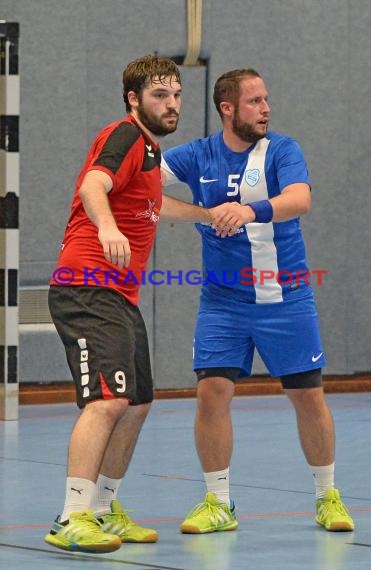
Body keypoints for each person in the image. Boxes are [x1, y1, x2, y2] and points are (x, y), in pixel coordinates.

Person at [160, 68, 355, 534]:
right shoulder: (198, 155)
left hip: (284, 298)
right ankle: (218, 503)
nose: (265, 109)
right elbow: (142, 187)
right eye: (254, 102)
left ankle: (327, 496)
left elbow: (300, 199)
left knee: (308, 395)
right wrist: (202, 215)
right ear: (227, 108)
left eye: (266, 100)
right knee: (212, 392)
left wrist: (248, 210)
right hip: (222, 303)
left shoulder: (282, 150)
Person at [45, 54, 207, 554]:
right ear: (134, 99)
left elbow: (156, 207)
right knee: (107, 400)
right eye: (160, 95)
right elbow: (95, 183)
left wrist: (211, 214)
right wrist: (108, 226)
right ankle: (72, 517)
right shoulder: (126, 136)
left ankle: (102, 509)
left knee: (136, 404)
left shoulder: (152, 154)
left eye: (177, 94)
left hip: (119, 295)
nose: (172, 103)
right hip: (87, 286)